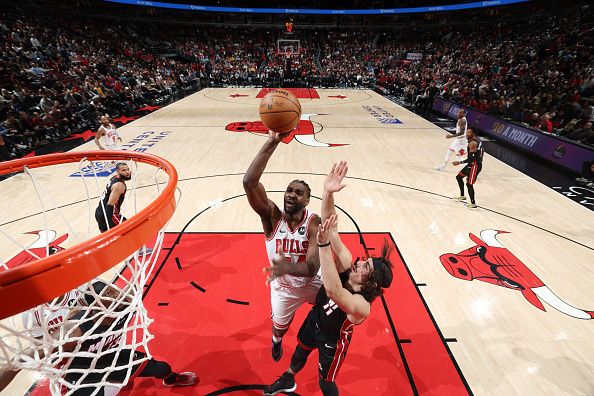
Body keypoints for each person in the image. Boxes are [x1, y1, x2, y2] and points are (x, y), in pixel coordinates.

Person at [263, 161, 393, 396]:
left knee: (326, 383)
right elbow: (331, 228)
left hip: (333, 341)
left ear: (371, 283)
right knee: (300, 351)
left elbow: (334, 291)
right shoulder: (348, 264)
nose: (361, 262)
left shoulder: (361, 307)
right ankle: (288, 379)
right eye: (366, 259)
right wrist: (327, 192)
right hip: (315, 319)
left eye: (367, 267)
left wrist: (323, 245)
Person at [0, 279, 197, 395]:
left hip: (107, 353)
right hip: (76, 368)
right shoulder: (33, 316)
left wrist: (100, 309)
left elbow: (125, 297)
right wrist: (69, 334)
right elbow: (40, 349)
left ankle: (170, 379)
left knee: (162, 368)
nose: (113, 295)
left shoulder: (87, 289)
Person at [243, 130, 322, 362]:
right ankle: (276, 342)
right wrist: (272, 141)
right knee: (279, 329)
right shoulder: (272, 217)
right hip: (283, 288)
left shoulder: (313, 222)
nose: (292, 195)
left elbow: (311, 267)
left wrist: (284, 267)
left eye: (299, 193)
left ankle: (319, 341)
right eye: (289, 190)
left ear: (307, 200)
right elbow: (249, 182)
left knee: (337, 307)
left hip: (312, 282)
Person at [95, 163, 152, 255]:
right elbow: (110, 205)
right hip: (109, 214)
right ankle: (140, 250)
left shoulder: (114, 178)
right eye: (123, 170)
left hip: (99, 212)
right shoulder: (119, 185)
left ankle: (105, 252)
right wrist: (109, 222)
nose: (127, 172)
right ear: (117, 172)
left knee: (108, 238)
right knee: (132, 229)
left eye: (128, 169)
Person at [453, 128, 484, 208]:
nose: (467, 134)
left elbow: (472, 158)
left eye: (469, 132)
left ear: (473, 134)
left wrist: (459, 162)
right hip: (472, 164)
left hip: (475, 165)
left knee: (469, 184)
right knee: (459, 177)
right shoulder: (476, 140)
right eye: (467, 132)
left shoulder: (473, 143)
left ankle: (473, 203)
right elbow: (479, 152)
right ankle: (462, 196)